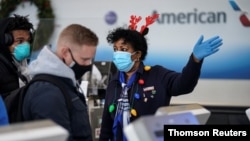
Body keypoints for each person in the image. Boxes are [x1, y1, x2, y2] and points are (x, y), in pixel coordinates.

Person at [99, 14, 223, 141]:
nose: (118, 54)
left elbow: (184, 85)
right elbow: (106, 126)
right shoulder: (114, 82)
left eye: (123, 49)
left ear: (137, 55)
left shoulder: (157, 75)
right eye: (115, 49)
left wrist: (195, 60)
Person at [22, 24, 99, 141]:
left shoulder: (64, 83)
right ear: (65, 53)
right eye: (84, 59)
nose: (88, 65)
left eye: (91, 59)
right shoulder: (46, 92)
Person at [0, 14, 34, 95]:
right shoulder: (2, 68)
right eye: (20, 41)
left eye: (28, 41)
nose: (26, 45)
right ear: (6, 41)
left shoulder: (24, 64)